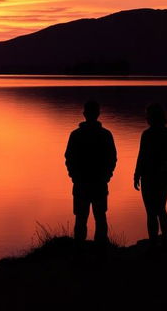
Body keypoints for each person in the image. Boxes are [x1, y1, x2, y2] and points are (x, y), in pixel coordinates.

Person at [65, 100, 117, 243]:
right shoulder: (106, 135)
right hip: (95, 182)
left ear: (84, 114)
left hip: (85, 183)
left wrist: (74, 176)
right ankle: (99, 248)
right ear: (98, 114)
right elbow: (112, 158)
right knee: (99, 217)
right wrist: (107, 176)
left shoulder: (75, 135)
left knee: (83, 218)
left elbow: (69, 158)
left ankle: (81, 248)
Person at [134, 103, 167, 247]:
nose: (146, 118)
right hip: (160, 174)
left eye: (148, 115)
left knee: (153, 211)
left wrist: (138, 173)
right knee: (159, 209)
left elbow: (144, 156)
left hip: (153, 175)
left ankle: (157, 241)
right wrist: (137, 174)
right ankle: (162, 240)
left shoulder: (149, 134)